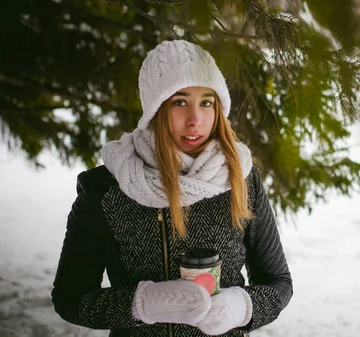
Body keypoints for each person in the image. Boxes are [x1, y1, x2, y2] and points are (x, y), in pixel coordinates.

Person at [51, 39, 293, 337]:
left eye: (207, 102)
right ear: (155, 109)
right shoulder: (106, 187)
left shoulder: (240, 178)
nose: (195, 120)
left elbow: (279, 282)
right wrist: (143, 305)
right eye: (179, 102)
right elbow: (70, 298)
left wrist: (242, 306)